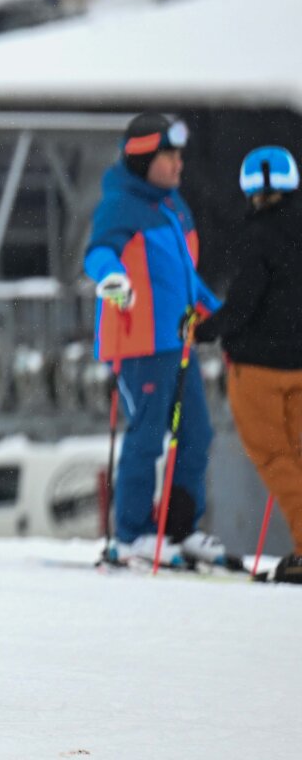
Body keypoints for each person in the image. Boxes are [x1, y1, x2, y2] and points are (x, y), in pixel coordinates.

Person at [84, 113, 228, 566]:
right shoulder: (120, 205)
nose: (179, 164)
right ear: (144, 159)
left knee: (197, 434)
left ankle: (179, 528)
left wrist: (221, 316)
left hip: (177, 342)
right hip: (139, 344)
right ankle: (133, 534)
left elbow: (186, 276)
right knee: (147, 437)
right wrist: (111, 277)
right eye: (169, 156)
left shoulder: (173, 206)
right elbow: (99, 252)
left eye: (180, 155)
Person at [193, 146, 302, 583]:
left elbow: (244, 304)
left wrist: (203, 329)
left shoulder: (257, 237)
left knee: (275, 458)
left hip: (258, 369)